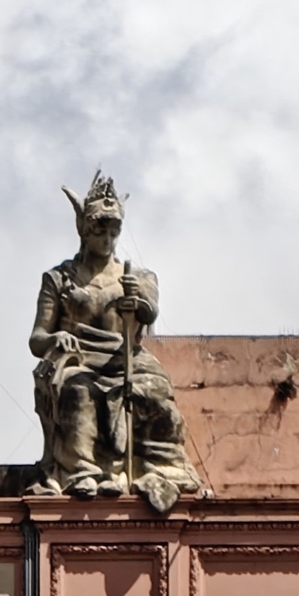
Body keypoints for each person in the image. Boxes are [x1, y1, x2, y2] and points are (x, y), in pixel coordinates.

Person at [28, 173, 200, 511]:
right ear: (84, 230)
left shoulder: (136, 277)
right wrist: (56, 337)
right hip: (78, 358)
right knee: (78, 391)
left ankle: (154, 468)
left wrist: (136, 304)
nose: (107, 239)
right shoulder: (58, 278)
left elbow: (149, 313)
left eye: (113, 232)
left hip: (126, 358)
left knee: (153, 392)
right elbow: (37, 339)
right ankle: (83, 472)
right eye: (99, 231)